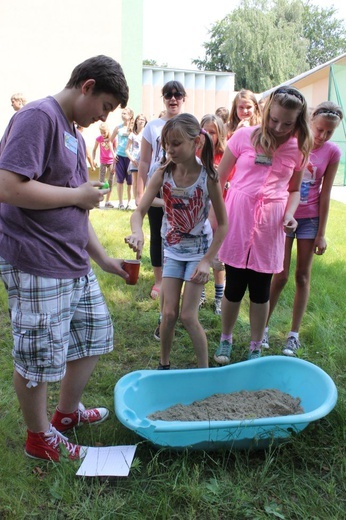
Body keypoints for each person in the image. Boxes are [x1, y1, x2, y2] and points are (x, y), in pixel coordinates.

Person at [0, 55, 129, 462]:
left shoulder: (72, 130)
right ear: (87, 86)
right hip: (37, 259)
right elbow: (8, 187)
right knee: (38, 356)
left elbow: (76, 209)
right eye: (105, 107)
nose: (103, 117)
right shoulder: (38, 117)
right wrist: (77, 195)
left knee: (92, 333)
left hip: (72, 260)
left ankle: (66, 415)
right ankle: (39, 439)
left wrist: (105, 260)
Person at [212, 85, 313, 365]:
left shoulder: (299, 149)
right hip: (238, 217)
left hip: (271, 223)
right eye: (274, 119)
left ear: (299, 121)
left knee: (260, 289)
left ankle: (255, 345)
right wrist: (215, 218)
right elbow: (219, 179)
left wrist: (291, 213)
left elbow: (294, 190)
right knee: (233, 286)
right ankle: (226, 339)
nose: (279, 127)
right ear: (266, 112)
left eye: (288, 123)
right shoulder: (243, 136)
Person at [126, 113, 228, 369]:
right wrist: (137, 232)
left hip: (197, 255)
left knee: (187, 315)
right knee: (168, 313)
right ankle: (164, 365)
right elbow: (139, 210)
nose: (170, 149)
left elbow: (224, 225)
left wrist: (207, 261)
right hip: (172, 250)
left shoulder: (209, 177)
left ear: (196, 143)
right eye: (166, 144)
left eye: (176, 143)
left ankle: (204, 370)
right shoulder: (162, 174)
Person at [262, 101, 343, 356]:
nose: (322, 136)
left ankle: (293, 335)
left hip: (309, 220)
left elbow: (326, 193)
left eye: (329, 132)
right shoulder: (293, 141)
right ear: (310, 121)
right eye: (319, 129)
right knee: (280, 274)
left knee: (302, 276)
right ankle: (262, 328)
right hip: (285, 216)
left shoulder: (332, 152)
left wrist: (321, 233)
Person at [137, 80, 186, 302]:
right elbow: (145, 161)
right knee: (158, 233)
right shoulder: (152, 126)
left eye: (177, 95)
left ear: (183, 98)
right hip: (157, 186)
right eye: (168, 95)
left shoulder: (189, 123)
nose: (172, 99)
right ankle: (159, 280)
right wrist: (141, 191)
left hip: (182, 185)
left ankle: (176, 277)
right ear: (163, 99)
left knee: (181, 233)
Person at [197, 114, 226, 315]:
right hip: (200, 211)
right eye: (205, 131)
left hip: (220, 210)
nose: (209, 135)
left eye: (213, 132)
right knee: (199, 254)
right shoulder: (196, 154)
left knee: (217, 258)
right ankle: (199, 294)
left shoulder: (225, 156)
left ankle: (219, 297)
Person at [111, 107, 134, 209]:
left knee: (130, 182)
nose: (122, 115)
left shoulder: (133, 128)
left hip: (130, 158)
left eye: (125, 113)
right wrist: (113, 154)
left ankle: (129, 203)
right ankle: (120, 203)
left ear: (130, 116)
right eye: (122, 113)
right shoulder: (118, 128)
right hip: (119, 157)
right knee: (120, 181)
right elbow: (110, 141)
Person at [126, 113, 147, 204]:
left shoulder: (147, 133)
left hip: (145, 160)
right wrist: (132, 159)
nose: (141, 121)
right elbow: (126, 150)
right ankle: (137, 202)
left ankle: (143, 201)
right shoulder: (132, 135)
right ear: (136, 121)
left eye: (143, 119)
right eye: (139, 119)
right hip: (135, 161)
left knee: (144, 182)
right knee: (135, 182)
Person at [92, 122, 115, 208]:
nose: (103, 134)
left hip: (111, 162)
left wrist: (115, 162)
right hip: (103, 162)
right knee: (101, 181)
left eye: (104, 132)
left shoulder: (113, 138)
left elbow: (115, 149)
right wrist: (93, 160)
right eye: (101, 132)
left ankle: (107, 201)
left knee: (111, 181)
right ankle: (98, 201)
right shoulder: (99, 139)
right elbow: (94, 150)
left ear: (108, 130)